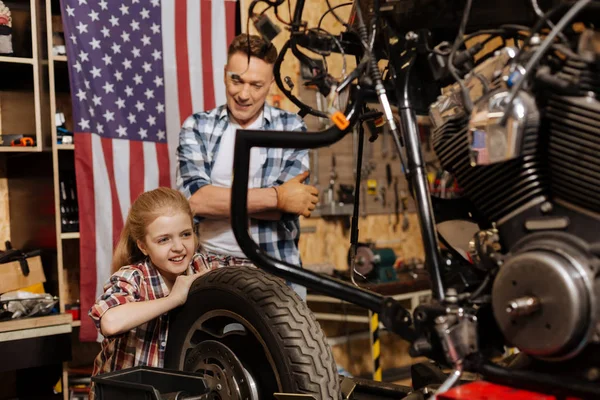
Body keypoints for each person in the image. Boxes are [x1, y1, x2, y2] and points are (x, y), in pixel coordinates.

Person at [176, 34, 318, 300]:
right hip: (209, 271)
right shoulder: (198, 126)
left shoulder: (291, 128)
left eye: (256, 84)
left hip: (276, 273)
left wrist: (219, 201)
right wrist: (277, 197)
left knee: (288, 344)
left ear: (271, 84)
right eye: (236, 80)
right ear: (224, 74)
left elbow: (288, 212)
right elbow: (194, 202)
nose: (243, 94)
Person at [88, 187, 212, 395]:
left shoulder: (205, 267)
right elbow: (109, 322)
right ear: (143, 246)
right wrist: (174, 298)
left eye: (185, 234)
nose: (179, 247)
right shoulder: (133, 277)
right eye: (164, 239)